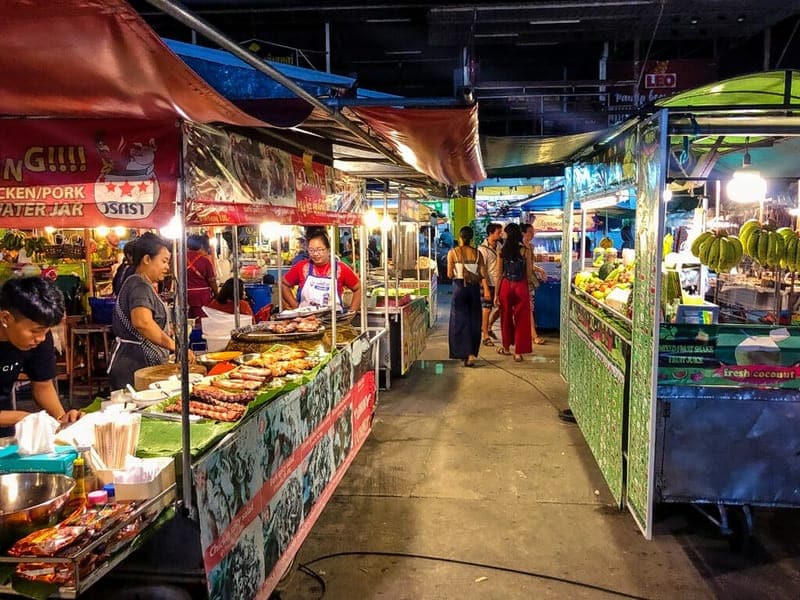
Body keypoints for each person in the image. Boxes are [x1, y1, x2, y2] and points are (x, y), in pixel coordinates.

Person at [108, 232, 192, 390]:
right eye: (164, 261)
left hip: (136, 363)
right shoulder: (139, 286)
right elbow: (142, 322)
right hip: (135, 366)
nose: (167, 267)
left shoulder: (139, 283)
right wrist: (176, 347)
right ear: (147, 259)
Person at [0, 278, 82, 436]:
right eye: (35, 331)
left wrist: (61, 420)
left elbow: (42, 385)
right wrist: (22, 417)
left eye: (45, 331)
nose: (41, 338)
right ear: (5, 318)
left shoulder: (39, 337)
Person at [281, 231, 361, 312]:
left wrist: (352, 313)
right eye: (311, 250)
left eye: (320, 250)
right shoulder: (301, 267)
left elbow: (358, 288)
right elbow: (284, 283)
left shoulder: (341, 268)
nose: (315, 254)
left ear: (328, 250)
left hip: (334, 320)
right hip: (307, 320)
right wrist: (295, 305)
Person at [447, 226, 490, 367]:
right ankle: (471, 354)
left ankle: (463, 352)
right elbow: (483, 274)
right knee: (473, 321)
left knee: (459, 321)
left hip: (459, 288)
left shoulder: (453, 253)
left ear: (460, 237)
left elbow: (449, 274)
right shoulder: (478, 254)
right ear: (471, 238)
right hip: (473, 289)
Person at [494, 223, 532, 362]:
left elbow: (499, 274)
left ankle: (506, 348)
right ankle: (518, 352)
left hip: (506, 285)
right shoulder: (525, 250)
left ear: (508, 235)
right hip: (521, 285)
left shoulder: (502, 251)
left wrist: (495, 294)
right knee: (522, 318)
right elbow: (528, 272)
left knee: (505, 317)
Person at [521, 223, 547, 345]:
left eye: (533, 232)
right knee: (526, 308)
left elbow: (530, 265)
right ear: (523, 233)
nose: (532, 234)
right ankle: (533, 335)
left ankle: (532, 334)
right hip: (520, 281)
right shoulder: (519, 248)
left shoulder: (531, 247)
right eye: (530, 232)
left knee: (529, 307)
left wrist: (540, 270)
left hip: (529, 282)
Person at [478, 222, 503, 347]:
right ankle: (485, 336)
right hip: (488, 282)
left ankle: (489, 326)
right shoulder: (482, 250)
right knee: (487, 309)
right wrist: (486, 288)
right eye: (498, 232)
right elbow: (482, 269)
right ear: (490, 233)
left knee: (501, 307)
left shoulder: (499, 246)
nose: (500, 234)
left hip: (499, 282)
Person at [186, 234, 218, 320]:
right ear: (200, 245)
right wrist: (217, 294)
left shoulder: (179, 258)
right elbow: (212, 280)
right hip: (202, 297)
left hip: (184, 295)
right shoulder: (204, 260)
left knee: (186, 321)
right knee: (201, 321)